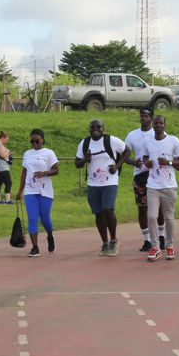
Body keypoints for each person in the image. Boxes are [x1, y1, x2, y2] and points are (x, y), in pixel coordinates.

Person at [75, 119, 128, 257]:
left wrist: (116, 166)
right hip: (93, 183)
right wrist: (85, 160)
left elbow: (127, 151)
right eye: (92, 127)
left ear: (103, 128)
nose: (95, 129)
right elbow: (77, 163)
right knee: (98, 213)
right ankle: (104, 242)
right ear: (89, 129)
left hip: (110, 181)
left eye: (98, 127)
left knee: (107, 208)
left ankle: (114, 240)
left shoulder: (111, 140)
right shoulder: (84, 143)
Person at [142, 115, 179, 261]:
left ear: (165, 124)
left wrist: (169, 162)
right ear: (153, 125)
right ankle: (155, 247)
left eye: (161, 123)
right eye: (156, 123)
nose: (158, 125)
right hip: (153, 186)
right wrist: (146, 162)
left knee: (169, 218)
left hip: (169, 186)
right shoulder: (147, 141)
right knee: (152, 216)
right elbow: (144, 157)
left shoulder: (173, 140)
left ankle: (170, 246)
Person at [16, 128, 60, 256]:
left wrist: (45, 173)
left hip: (45, 191)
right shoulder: (27, 154)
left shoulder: (49, 153)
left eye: (37, 141)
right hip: (30, 191)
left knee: (45, 219)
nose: (34, 143)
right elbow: (24, 173)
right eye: (32, 141)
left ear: (43, 140)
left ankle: (50, 236)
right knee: (33, 219)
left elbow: (56, 170)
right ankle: (35, 248)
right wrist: (20, 191)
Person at [125, 107, 163, 252]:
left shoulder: (158, 133)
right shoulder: (132, 135)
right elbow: (124, 155)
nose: (143, 118)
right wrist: (134, 162)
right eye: (142, 115)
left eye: (146, 116)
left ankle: (161, 237)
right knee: (142, 209)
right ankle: (147, 240)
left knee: (159, 208)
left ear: (152, 118)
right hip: (140, 176)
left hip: (156, 175)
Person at [0, 131, 14, 204]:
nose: (7, 141)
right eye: (6, 139)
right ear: (2, 138)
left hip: (0, 167)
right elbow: (2, 155)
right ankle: (7, 200)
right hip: (2, 167)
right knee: (8, 183)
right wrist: (9, 153)